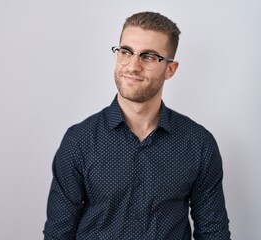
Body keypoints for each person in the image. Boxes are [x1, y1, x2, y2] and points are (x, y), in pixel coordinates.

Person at [43, 11, 231, 239]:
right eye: (126, 52)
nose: (133, 66)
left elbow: (213, 231)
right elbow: (58, 233)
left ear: (170, 69)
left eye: (149, 56)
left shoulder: (199, 144)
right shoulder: (79, 140)